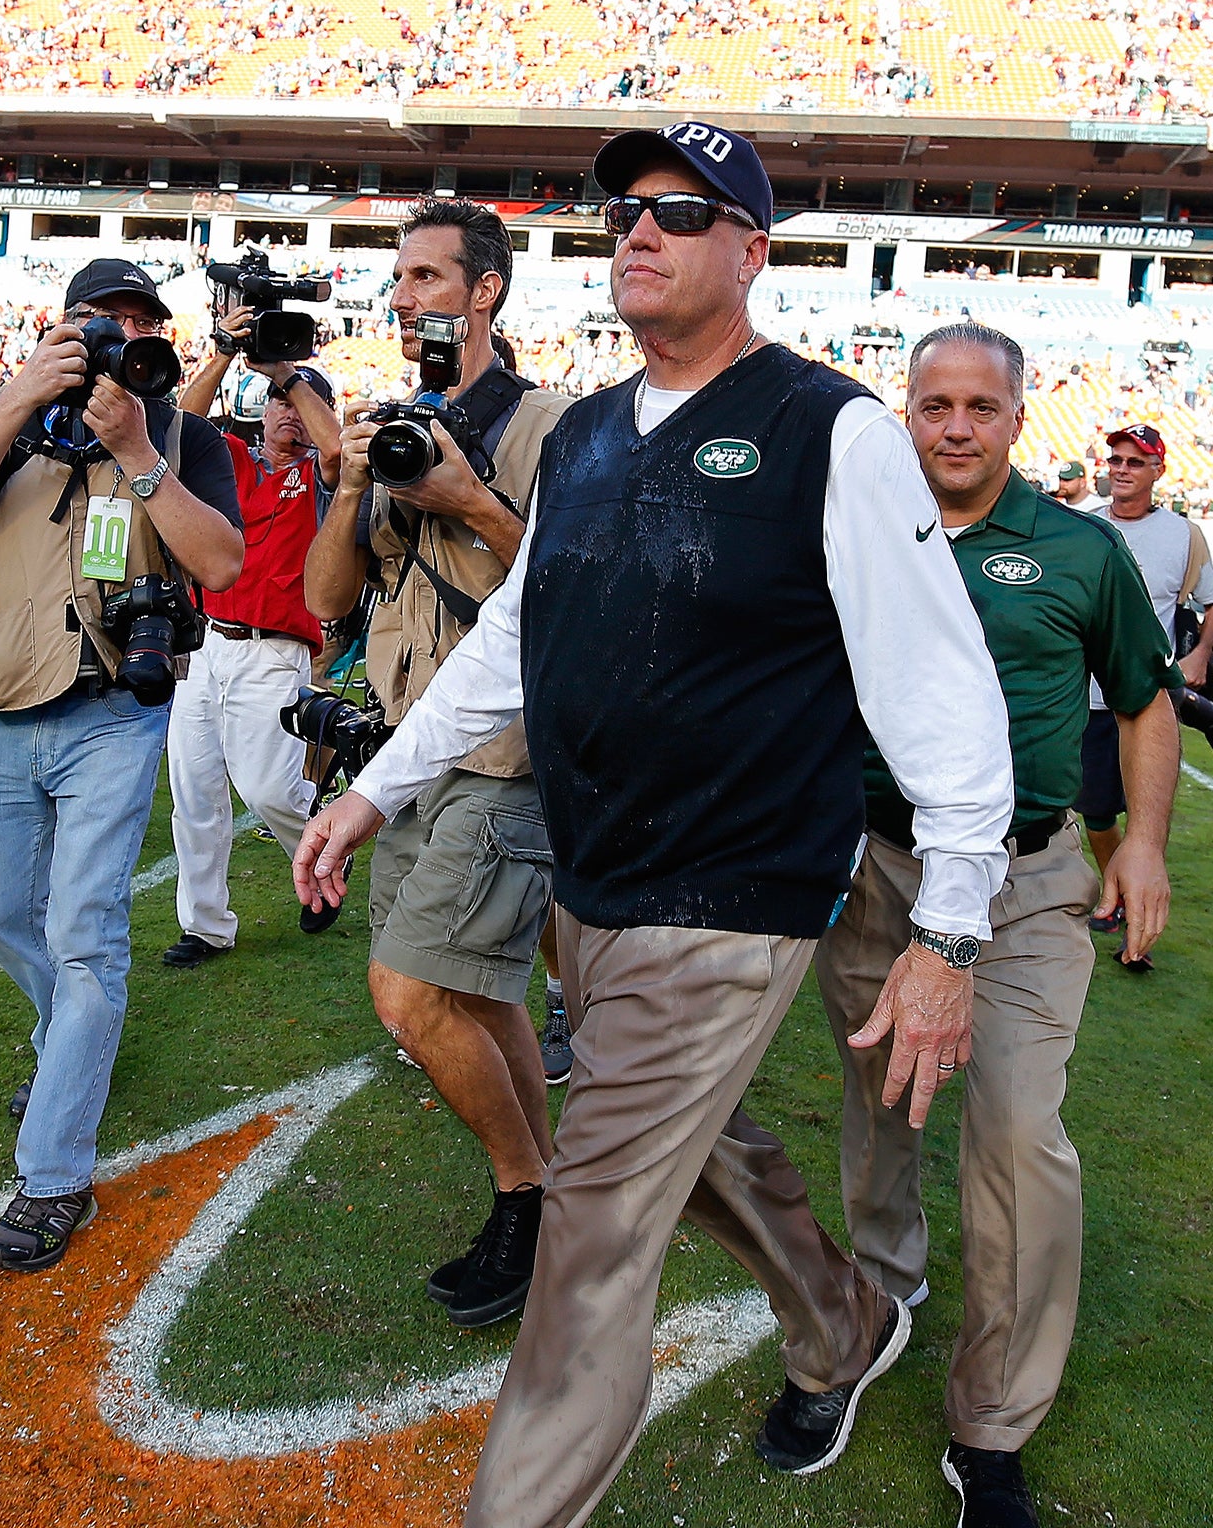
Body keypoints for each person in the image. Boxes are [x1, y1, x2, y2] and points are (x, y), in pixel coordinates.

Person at [295, 123, 1015, 1523]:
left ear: (753, 251)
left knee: (596, 1231)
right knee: (693, 1152)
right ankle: (842, 1317)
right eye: (624, 208)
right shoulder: (587, 435)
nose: (640, 228)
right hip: (596, 878)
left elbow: (942, 690)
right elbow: (514, 638)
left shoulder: (834, 430)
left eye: (685, 213)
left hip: (737, 893)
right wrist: (385, 784)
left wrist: (951, 928)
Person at [821, 323, 1180, 1528]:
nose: (955, 426)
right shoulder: (855, 540)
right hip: (875, 871)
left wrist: (1136, 841)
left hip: (1026, 884)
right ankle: (880, 1296)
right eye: (932, 405)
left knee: (1017, 1132)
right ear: (903, 415)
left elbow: (1142, 702)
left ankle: (992, 1421)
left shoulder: (1078, 550)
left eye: (980, 405)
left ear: (1020, 420)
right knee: (878, 1109)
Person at [0, 258, 243, 1272]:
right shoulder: (0, 420)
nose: (123, 338)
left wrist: (139, 455)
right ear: (60, 328)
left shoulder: (179, 434)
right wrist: (21, 391)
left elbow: (222, 563)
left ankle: (50, 1173)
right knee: (1, 916)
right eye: (104, 321)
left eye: (143, 323)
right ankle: (69, 1047)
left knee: (85, 933)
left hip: (112, 712)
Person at [301, 199, 573, 1330]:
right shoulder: (387, 422)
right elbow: (322, 605)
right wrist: (359, 480)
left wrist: (465, 497)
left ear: (484, 293)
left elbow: (577, 587)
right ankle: (556, 1192)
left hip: (505, 754)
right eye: (398, 277)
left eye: (425, 276)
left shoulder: (555, 424)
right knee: (470, 989)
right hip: (405, 746)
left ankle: (523, 1198)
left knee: (407, 996)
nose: (404, 294)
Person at [163, 311, 345, 966]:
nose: (289, 415)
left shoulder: (319, 480)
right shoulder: (231, 458)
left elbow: (339, 452)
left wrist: (290, 376)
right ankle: (205, 925)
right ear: (260, 410)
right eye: (278, 402)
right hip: (206, 644)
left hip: (274, 649)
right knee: (194, 792)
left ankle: (326, 862)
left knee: (270, 791)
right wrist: (221, 351)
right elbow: (176, 427)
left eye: (303, 405)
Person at [1074, 423, 1211, 964]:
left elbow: (1209, 599)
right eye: (1116, 461)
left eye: (1135, 462)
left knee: (1148, 812)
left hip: (1149, 698)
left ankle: (1132, 906)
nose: (1122, 470)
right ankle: (1119, 887)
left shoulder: (1183, 535)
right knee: (1098, 812)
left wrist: (1199, 655)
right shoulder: (1083, 528)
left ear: (1158, 470)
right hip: (1087, 696)